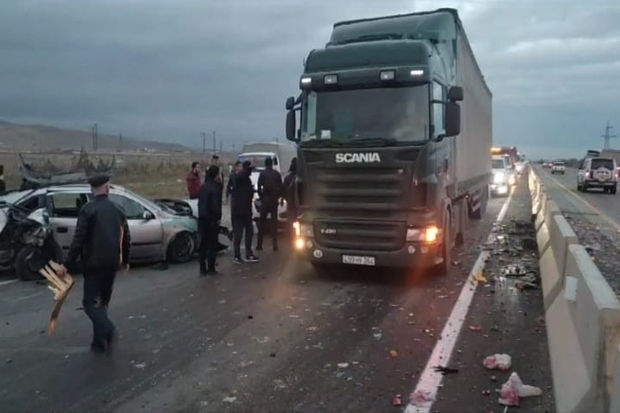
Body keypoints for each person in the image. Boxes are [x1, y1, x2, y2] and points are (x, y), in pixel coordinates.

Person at [58, 174, 130, 353]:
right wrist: (125, 261)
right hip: (112, 263)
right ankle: (99, 342)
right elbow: (126, 238)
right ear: (107, 188)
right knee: (102, 303)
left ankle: (108, 329)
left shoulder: (87, 210)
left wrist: (66, 264)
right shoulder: (118, 209)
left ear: (92, 190)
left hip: (93, 264)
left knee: (90, 303)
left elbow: (79, 239)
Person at [230, 160, 260, 264]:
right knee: (245, 232)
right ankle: (246, 254)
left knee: (241, 233)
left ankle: (238, 256)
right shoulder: (243, 179)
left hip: (239, 210)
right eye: (250, 169)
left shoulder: (237, 178)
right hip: (243, 210)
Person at [198, 165, 222, 275]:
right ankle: (211, 268)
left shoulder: (203, 187)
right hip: (211, 220)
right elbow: (215, 205)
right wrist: (218, 217)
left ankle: (202, 268)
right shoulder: (215, 188)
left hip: (202, 219)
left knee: (203, 245)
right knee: (212, 245)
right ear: (216, 175)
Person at [256, 157, 283, 251]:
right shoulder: (277, 174)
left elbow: (259, 187)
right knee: (274, 223)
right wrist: (277, 197)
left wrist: (261, 197)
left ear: (265, 164)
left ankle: (259, 245)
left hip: (265, 200)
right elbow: (281, 187)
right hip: (273, 201)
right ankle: (275, 245)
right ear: (272, 164)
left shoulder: (262, 174)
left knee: (262, 223)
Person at [282, 158, 297, 233]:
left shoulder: (287, 178)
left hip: (290, 202)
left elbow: (283, 190)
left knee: (290, 219)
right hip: (300, 202)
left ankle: (290, 233)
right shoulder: (301, 178)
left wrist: (285, 199)